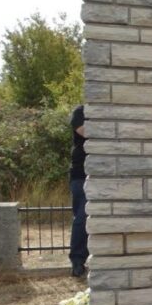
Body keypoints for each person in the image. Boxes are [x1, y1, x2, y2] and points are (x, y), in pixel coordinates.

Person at [69, 104, 88, 278]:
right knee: (82, 218)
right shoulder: (80, 111)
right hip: (81, 175)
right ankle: (77, 260)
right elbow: (84, 131)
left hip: (105, 174)